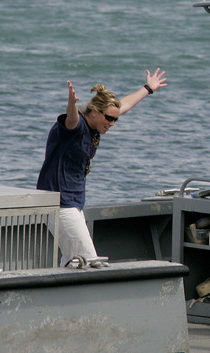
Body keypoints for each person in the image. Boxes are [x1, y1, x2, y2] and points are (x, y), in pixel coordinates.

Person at [37, 68, 168, 267]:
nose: (113, 123)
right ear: (95, 112)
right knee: (89, 262)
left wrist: (148, 88)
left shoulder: (96, 126)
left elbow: (123, 106)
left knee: (72, 262)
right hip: (60, 203)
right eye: (109, 119)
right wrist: (71, 104)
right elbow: (71, 119)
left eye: (115, 119)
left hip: (73, 202)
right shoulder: (76, 126)